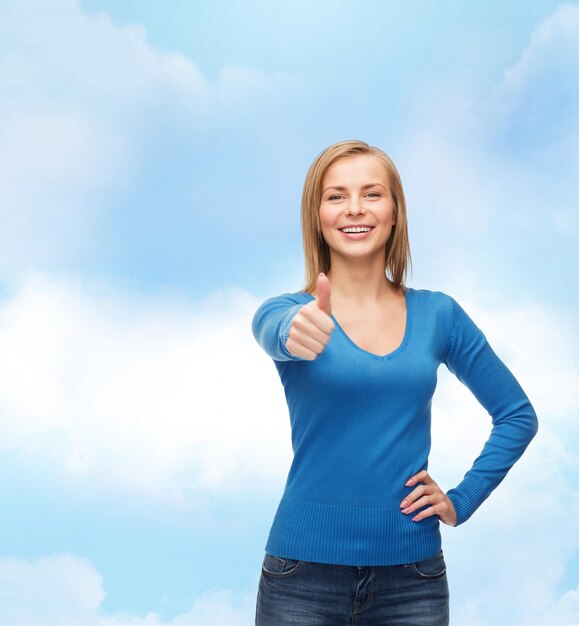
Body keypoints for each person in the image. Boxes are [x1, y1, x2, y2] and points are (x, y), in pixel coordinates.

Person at [251, 139, 538, 625]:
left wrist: (461, 499)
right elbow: (274, 331)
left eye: (371, 194)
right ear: (317, 214)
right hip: (300, 576)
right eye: (336, 195)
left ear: (394, 212)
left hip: (412, 580)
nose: (355, 209)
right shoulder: (288, 312)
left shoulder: (439, 315)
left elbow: (516, 416)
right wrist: (293, 331)